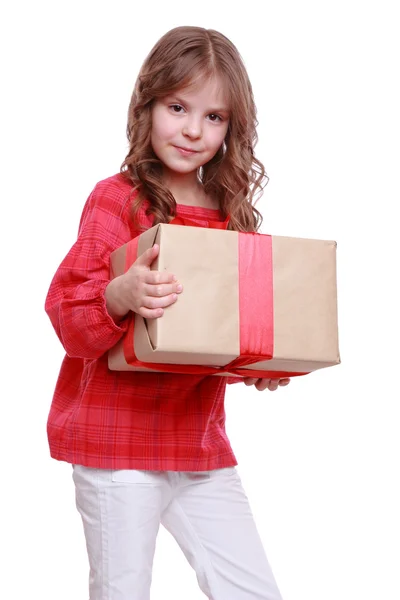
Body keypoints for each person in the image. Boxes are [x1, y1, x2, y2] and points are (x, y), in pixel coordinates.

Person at [45, 25, 290, 600]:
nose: (191, 130)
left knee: (253, 590)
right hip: (118, 444)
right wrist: (120, 293)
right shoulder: (117, 198)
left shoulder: (232, 217)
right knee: (123, 591)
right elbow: (68, 314)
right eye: (177, 107)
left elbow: (225, 332)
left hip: (196, 443)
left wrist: (261, 366)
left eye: (214, 117)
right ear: (147, 104)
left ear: (233, 127)